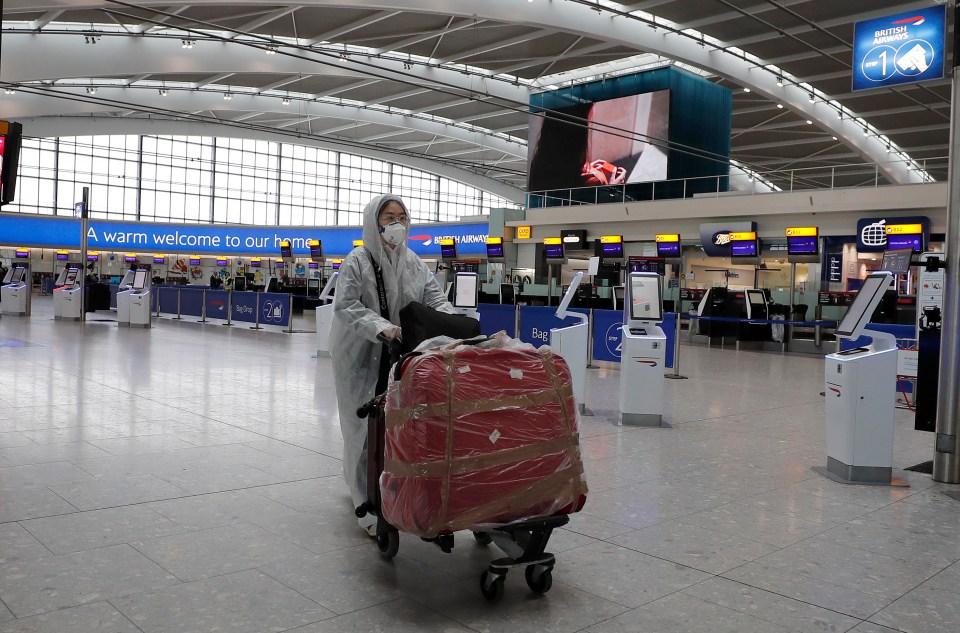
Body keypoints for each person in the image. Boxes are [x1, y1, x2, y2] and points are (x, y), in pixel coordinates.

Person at [330, 194, 454, 536]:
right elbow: (346, 306)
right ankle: (364, 502)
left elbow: (435, 300)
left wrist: (458, 324)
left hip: (401, 355)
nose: (396, 222)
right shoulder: (357, 260)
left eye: (402, 216)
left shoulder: (413, 262)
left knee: (394, 425)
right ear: (374, 220)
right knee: (362, 430)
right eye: (388, 216)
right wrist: (382, 328)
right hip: (360, 357)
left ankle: (388, 487)